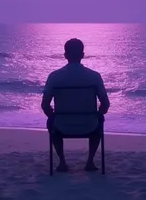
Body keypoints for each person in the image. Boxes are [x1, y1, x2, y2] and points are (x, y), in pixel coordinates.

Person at [42, 37, 110, 172]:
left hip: (62, 125)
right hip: (89, 125)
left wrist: (54, 116)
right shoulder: (94, 76)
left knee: (51, 122)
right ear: (82, 55)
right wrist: (97, 114)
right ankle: (90, 162)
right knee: (99, 121)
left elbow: (45, 105)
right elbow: (105, 105)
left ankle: (62, 162)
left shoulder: (54, 76)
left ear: (65, 55)